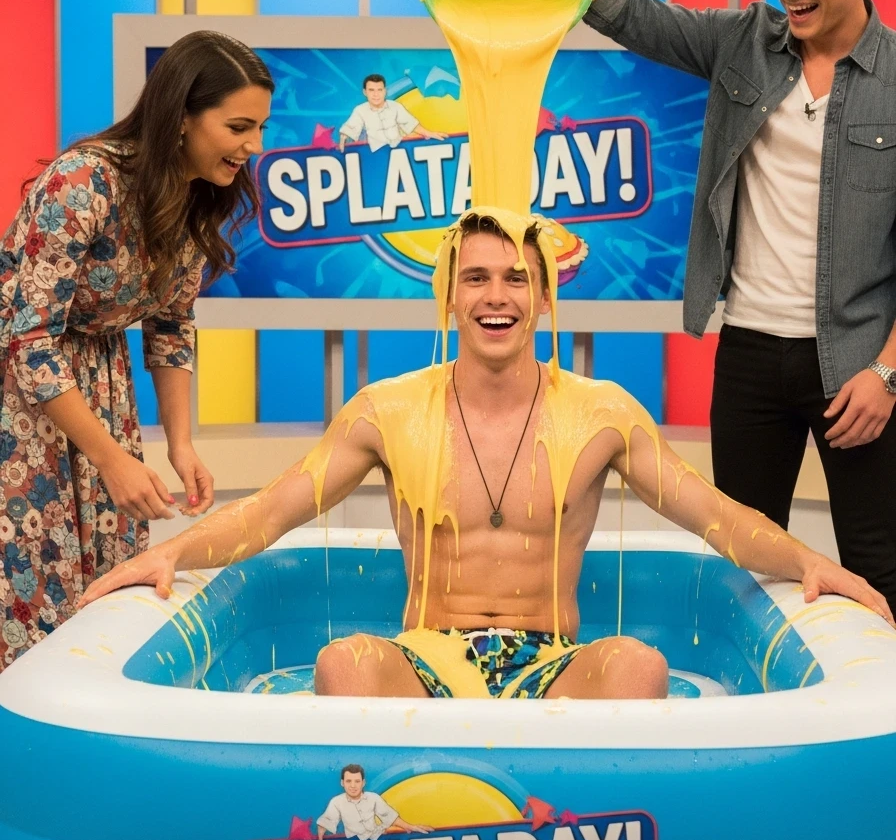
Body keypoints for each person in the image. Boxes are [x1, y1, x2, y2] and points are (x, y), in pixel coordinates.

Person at [81, 212, 893, 700]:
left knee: (640, 668)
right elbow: (272, 510)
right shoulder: (387, 410)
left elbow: (713, 515)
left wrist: (812, 565)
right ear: (447, 296)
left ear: (543, 296)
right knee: (342, 663)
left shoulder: (602, 413)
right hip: (425, 658)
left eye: (514, 279)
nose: (495, 297)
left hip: (552, 663)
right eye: (474, 279)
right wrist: (169, 555)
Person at [513, 0, 896, 621]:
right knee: (744, 565)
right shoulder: (745, 42)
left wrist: (888, 373)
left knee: (880, 564)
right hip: (749, 354)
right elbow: (636, 16)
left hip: (861, 366)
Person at [0, 30, 273, 666]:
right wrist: (111, 459)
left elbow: (172, 326)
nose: (254, 146)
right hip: (22, 404)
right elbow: (28, 338)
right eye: (239, 127)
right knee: (32, 594)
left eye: (260, 127)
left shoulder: (193, 196)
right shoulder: (82, 182)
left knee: (106, 592)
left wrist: (180, 443)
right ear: (181, 117)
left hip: (100, 393)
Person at [317, 764, 431, 840]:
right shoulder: (337, 802)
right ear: (342, 783)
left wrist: (410, 827)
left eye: (357, 781)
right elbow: (325, 822)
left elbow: (390, 817)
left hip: (377, 839)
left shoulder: (373, 798)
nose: (353, 785)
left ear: (363, 783)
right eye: (348, 781)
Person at [339, 74, 445, 153]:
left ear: (385, 91)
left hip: (397, 151)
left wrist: (428, 133)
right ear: (365, 92)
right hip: (375, 153)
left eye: (379, 90)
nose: (376, 94)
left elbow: (410, 124)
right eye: (371, 90)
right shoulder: (360, 110)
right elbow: (350, 128)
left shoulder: (395, 106)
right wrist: (344, 136)